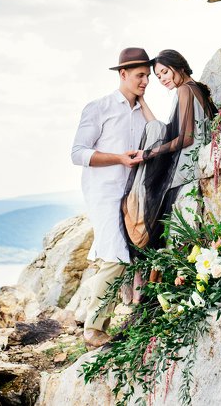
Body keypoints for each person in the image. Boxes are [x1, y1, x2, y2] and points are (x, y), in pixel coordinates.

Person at [71, 47, 151, 348]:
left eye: (147, 76)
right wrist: (119, 158)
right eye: (140, 76)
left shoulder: (142, 112)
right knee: (116, 255)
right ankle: (93, 327)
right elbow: (78, 153)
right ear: (123, 74)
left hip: (133, 195)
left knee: (128, 254)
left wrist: (144, 104)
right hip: (104, 193)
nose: (145, 81)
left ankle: (121, 313)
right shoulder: (99, 107)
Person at [122, 49, 217, 282]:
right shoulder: (197, 89)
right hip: (195, 162)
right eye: (158, 75)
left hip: (186, 166)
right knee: (155, 129)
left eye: (165, 72)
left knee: (151, 214)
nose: (163, 78)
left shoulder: (185, 89)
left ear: (178, 67)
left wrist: (149, 153)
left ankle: (150, 288)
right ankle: (154, 288)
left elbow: (186, 138)